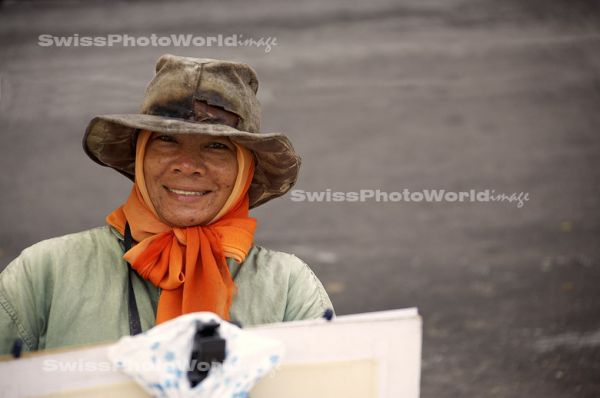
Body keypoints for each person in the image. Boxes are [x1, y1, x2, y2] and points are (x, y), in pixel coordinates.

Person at [0, 54, 333, 354]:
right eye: (166, 140)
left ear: (244, 171)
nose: (187, 164)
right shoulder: (45, 273)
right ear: (141, 156)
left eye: (217, 146)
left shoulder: (289, 286)